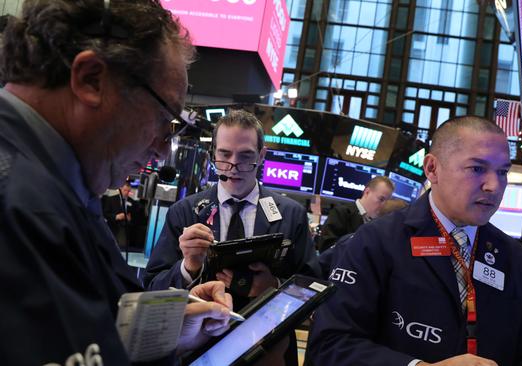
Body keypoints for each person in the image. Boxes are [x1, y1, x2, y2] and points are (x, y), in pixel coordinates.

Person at [0, 1, 234, 364]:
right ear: (91, 78)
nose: (160, 150)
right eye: (163, 117)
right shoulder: (23, 204)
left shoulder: (62, 187)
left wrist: (164, 331)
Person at [307, 116, 522, 366]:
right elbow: (330, 346)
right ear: (432, 169)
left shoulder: (514, 258)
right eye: (477, 169)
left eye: (503, 172)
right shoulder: (376, 241)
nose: (494, 186)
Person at [143, 109, 321, 363]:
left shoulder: (291, 215)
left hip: (269, 351)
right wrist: (188, 268)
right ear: (213, 152)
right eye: (224, 155)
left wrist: (274, 288)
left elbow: (311, 288)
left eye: (246, 156)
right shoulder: (184, 212)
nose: (234, 166)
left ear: (261, 155)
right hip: (197, 353)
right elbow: (152, 291)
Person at [317, 175, 395, 251]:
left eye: (387, 202)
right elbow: (325, 247)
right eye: (381, 199)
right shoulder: (341, 212)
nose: (384, 205)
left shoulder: (377, 223)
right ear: (367, 192)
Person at [102, 179, 146, 248]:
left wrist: (130, 219)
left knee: (122, 248)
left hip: (126, 230)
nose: (126, 193)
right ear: (120, 188)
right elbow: (105, 214)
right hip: (113, 228)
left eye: (128, 191)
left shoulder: (133, 203)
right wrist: (116, 216)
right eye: (125, 190)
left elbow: (137, 218)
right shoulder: (111, 199)